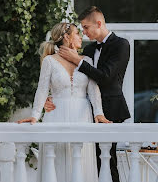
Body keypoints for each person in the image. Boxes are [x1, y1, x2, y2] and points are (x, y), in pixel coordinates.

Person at [17, 22, 110, 182]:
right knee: (57, 160)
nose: (81, 37)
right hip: (56, 115)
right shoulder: (50, 61)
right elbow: (42, 89)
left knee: (80, 162)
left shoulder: (86, 60)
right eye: (77, 34)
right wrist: (35, 115)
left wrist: (99, 113)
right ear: (67, 37)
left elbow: (94, 90)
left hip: (82, 116)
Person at [57, 6, 131, 182]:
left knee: (107, 159)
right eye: (81, 29)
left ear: (99, 23)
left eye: (86, 27)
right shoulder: (89, 50)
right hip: (85, 111)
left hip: (111, 109)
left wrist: (77, 60)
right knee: (87, 161)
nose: (83, 32)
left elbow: (105, 77)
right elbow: (74, 76)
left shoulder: (121, 45)